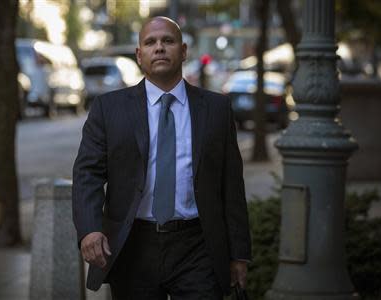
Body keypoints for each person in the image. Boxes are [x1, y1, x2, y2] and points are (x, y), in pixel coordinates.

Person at [72, 16, 251, 299]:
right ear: (139, 54)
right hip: (133, 245)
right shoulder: (109, 108)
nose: (159, 48)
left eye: (168, 41)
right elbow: (87, 174)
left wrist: (239, 254)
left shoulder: (216, 108)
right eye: (150, 42)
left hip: (198, 246)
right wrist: (90, 230)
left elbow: (231, 185)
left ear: (183, 50)